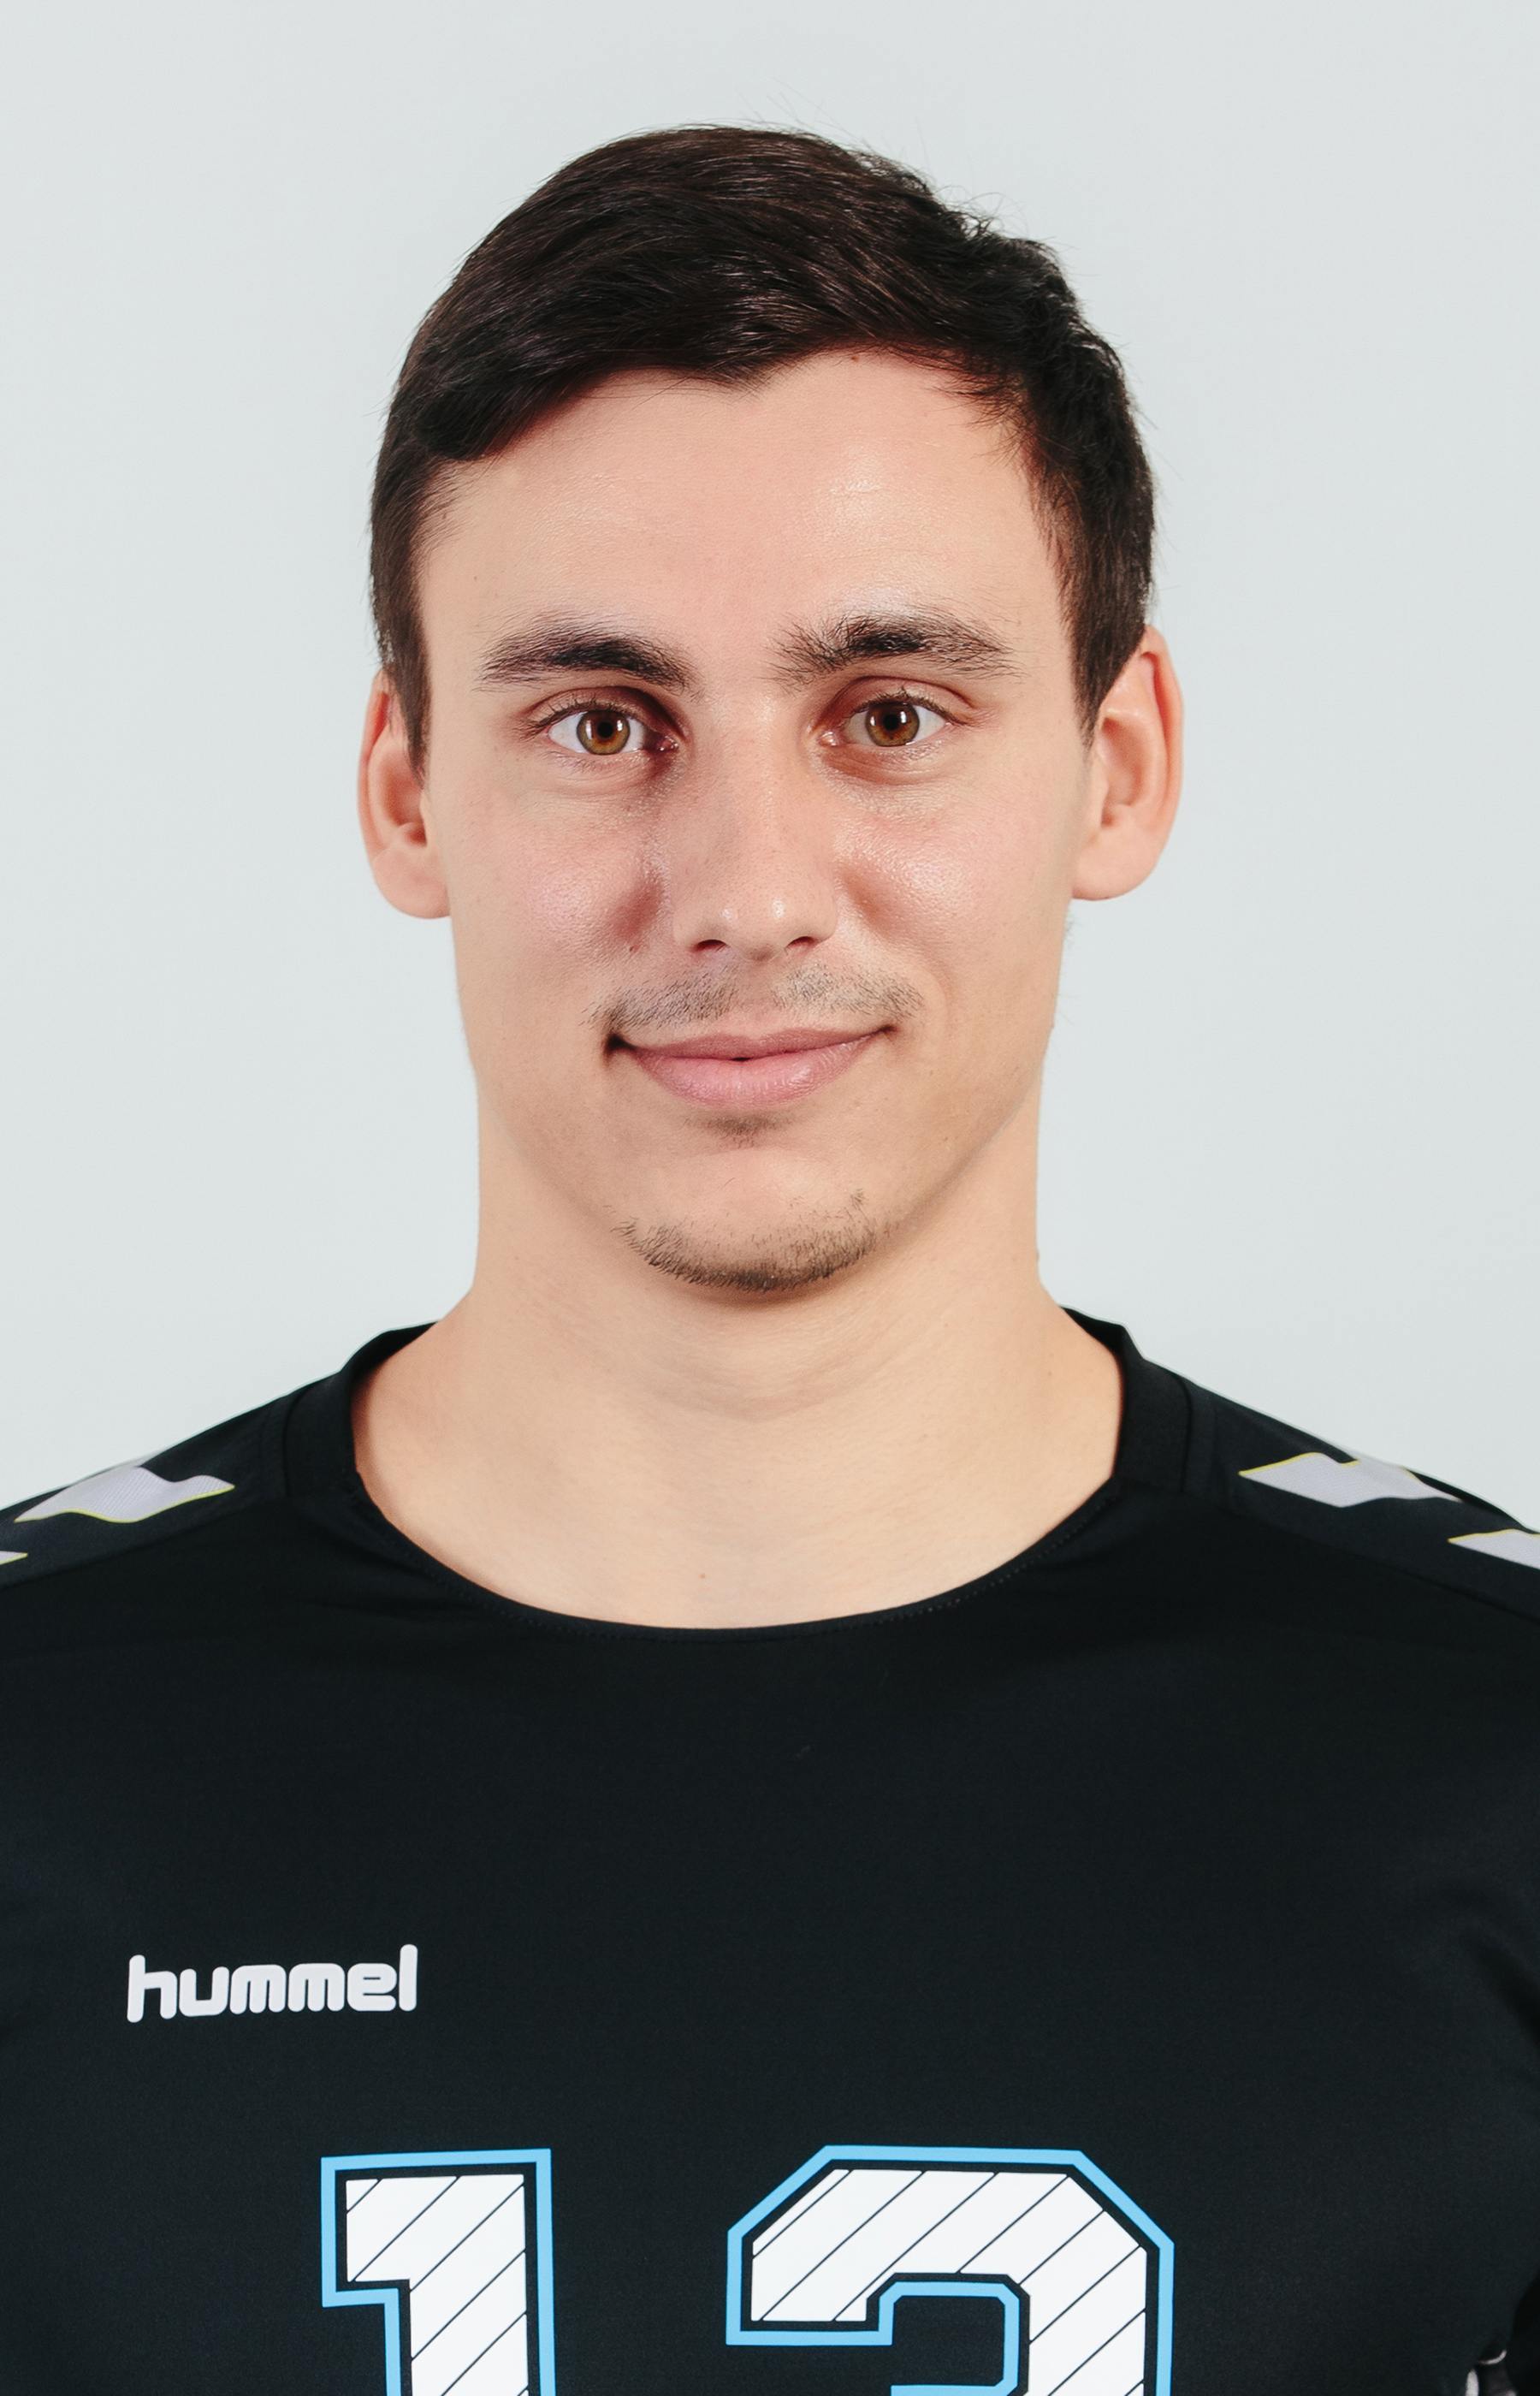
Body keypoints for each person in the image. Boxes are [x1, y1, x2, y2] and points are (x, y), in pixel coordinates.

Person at [1, 126, 1537, 2396]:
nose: (745, 888)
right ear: (409, 790)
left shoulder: (1489, 1742)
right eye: (600, 723)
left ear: (1117, 765)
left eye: (889, 717)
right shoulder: (40, 1736)